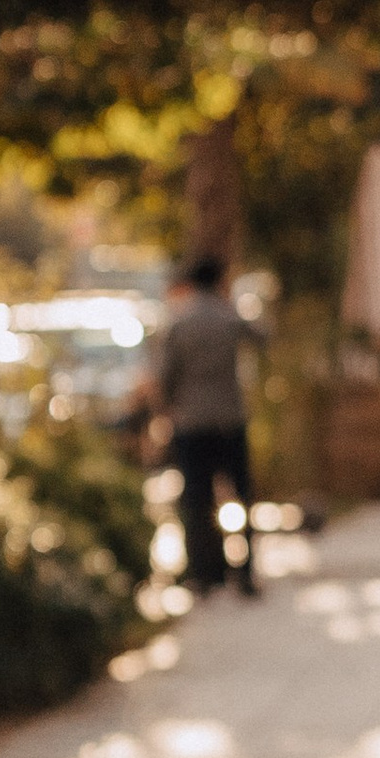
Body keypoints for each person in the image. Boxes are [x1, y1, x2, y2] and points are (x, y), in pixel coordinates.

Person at [145, 254, 255, 597]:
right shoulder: (228, 316)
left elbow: (164, 377)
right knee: (240, 494)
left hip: (191, 422)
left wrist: (163, 412)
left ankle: (205, 575)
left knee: (196, 500)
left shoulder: (178, 322)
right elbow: (263, 336)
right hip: (229, 418)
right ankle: (245, 572)